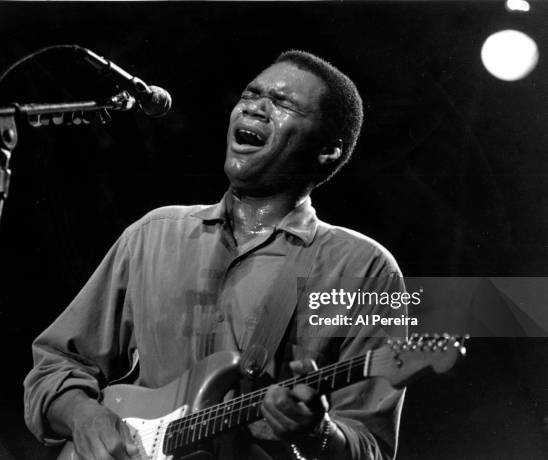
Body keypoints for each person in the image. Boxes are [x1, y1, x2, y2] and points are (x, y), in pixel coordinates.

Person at [24, 50, 406, 460]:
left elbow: (372, 448)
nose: (255, 107)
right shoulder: (154, 234)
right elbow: (56, 363)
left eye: (282, 104)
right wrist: (84, 416)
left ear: (328, 150)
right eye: (251, 94)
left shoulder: (365, 269)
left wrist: (316, 432)